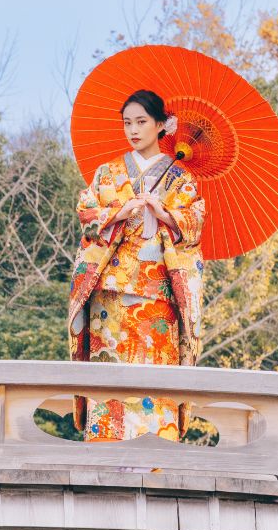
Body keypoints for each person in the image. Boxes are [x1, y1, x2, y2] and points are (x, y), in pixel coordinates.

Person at [66, 89, 205, 441]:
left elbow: (195, 225)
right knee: (109, 378)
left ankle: (155, 461)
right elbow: (86, 214)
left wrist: (166, 214)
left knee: (153, 382)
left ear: (162, 125)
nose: (134, 130)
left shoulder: (181, 180)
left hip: (158, 298)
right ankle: (105, 457)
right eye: (127, 123)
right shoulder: (107, 175)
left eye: (142, 122)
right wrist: (118, 212)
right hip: (109, 296)